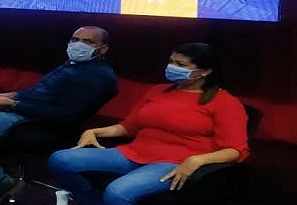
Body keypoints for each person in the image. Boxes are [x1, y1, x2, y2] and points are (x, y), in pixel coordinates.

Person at [0, 26, 118, 205]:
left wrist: (13, 104)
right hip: (23, 108)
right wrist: (12, 95)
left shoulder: (97, 77)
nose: (78, 45)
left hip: (38, 123)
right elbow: (40, 92)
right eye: (75, 39)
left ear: (103, 48)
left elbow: (64, 115)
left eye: (88, 42)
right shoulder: (74, 65)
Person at [48, 43, 249, 205]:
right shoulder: (157, 90)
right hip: (134, 153)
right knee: (61, 159)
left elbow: (235, 150)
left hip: (175, 162)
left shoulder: (224, 102)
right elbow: (128, 127)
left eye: (181, 65)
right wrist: (96, 131)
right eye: (171, 62)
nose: (172, 67)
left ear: (205, 71)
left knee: (117, 192)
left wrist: (197, 160)